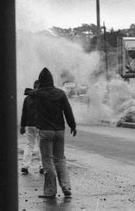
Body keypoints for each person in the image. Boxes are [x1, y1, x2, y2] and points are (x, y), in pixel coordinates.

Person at [31, 67, 77, 198]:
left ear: (40, 82)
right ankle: (66, 186)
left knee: (48, 161)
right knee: (60, 159)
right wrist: (72, 125)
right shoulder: (60, 93)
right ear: (52, 80)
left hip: (46, 131)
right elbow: (67, 110)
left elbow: (31, 93)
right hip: (59, 131)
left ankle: (50, 190)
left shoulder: (37, 94)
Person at [20, 80, 43, 175]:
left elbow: (24, 113)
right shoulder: (43, 97)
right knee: (42, 145)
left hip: (29, 125)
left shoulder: (27, 98)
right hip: (40, 124)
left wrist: (22, 126)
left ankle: (25, 166)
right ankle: (42, 166)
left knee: (29, 145)